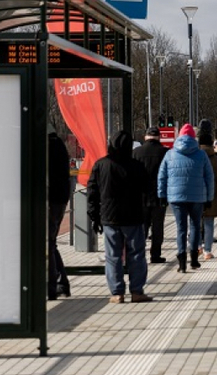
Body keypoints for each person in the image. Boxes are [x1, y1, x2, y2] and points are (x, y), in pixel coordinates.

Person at [87, 130, 153, 304]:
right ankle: (137, 291)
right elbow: (147, 190)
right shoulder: (137, 166)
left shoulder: (101, 165)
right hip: (133, 217)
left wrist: (94, 215)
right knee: (137, 254)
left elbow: (92, 192)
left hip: (110, 217)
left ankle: (117, 293)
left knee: (113, 256)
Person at [158, 124, 214, 272]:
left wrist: (162, 195)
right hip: (197, 197)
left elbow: (162, 176)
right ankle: (194, 259)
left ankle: (182, 261)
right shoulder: (201, 154)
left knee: (181, 228)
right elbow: (209, 177)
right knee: (195, 226)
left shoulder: (170, 154)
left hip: (176, 197)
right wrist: (209, 197)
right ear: (193, 138)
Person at [132, 127, 169, 264]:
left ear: (145, 136)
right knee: (158, 227)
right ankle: (155, 255)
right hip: (160, 196)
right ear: (159, 137)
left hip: (140, 197)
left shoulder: (136, 152)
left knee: (142, 227)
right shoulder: (165, 152)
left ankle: (139, 254)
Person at [48, 125, 71, 299]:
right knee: (51, 242)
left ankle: (53, 284)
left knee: (49, 243)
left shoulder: (48, 147)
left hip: (51, 199)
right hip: (60, 198)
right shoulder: (59, 145)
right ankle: (62, 282)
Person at [198, 132, 217, 260]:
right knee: (209, 222)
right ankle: (207, 251)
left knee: (195, 221)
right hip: (211, 194)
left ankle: (197, 246)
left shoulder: (194, 157)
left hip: (195, 193)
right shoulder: (216, 160)